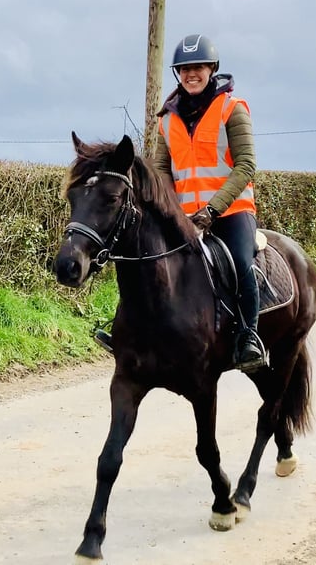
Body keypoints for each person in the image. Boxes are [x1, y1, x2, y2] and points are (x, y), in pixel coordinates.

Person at [95, 33, 265, 372]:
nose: (191, 74)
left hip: (230, 212)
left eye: (198, 67)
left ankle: (249, 336)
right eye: (185, 69)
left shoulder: (233, 109)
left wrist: (213, 209)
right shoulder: (167, 118)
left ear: (212, 69)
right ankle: (128, 330)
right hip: (184, 214)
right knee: (143, 257)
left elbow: (245, 164)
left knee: (240, 263)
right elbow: (161, 169)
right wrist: (168, 207)